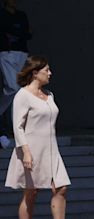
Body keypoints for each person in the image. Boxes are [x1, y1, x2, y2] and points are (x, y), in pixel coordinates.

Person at [4, 55, 70, 219]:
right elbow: (17, 126)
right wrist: (26, 152)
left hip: (51, 149)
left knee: (61, 187)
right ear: (35, 73)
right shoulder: (23, 95)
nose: (50, 73)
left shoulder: (49, 95)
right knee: (31, 192)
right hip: (31, 149)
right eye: (46, 70)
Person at [0, 0, 32, 148]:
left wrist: (15, 33)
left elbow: (27, 33)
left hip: (21, 52)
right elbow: (5, 31)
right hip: (6, 52)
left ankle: (17, 126)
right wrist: (15, 34)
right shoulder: (2, 14)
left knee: (19, 89)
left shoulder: (21, 15)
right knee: (12, 87)